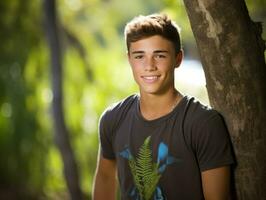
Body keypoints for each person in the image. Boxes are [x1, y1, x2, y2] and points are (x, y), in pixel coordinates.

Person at [92, 13, 234, 200]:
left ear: (178, 58)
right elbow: (105, 176)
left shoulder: (203, 123)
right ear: (129, 60)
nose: (149, 66)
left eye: (159, 55)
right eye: (139, 56)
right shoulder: (113, 119)